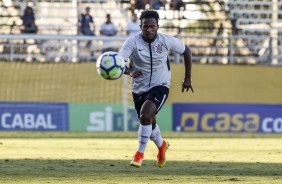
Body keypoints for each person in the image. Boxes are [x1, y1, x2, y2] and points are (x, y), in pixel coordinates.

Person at [119, 10, 193, 168]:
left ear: (158, 26)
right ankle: (162, 145)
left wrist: (187, 78)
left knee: (145, 115)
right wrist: (129, 71)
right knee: (148, 121)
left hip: (161, 85)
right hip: (139, 88)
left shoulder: (166, 41)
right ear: (140, 26)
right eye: (146, 26)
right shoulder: (132, 42)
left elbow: (187, 51)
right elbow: (119, 64)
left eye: (152, 26)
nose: (149, 30)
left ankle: (139, 154)